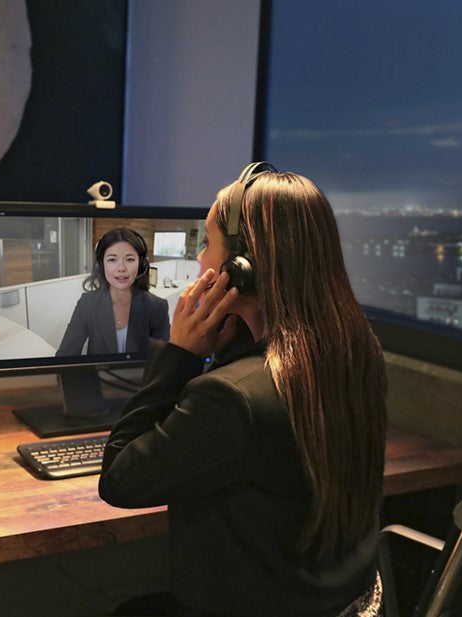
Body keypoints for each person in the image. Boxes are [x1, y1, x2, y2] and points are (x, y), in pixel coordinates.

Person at [99, 164, 387, 617]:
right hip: (338, 601)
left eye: (208, 243)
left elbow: (118, 480)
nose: (199, 262)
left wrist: (180, 355)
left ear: (242, 269)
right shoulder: (351, 356)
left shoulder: (233, 398)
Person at [56, 227, 170, 356]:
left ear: (141, 265)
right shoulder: (87, 304)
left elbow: (162, 362)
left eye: (130, 259)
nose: (121, 268)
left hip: (141, 376)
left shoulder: (156, 307)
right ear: (101, 265)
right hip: (98, 376)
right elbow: (66, 355)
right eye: (112, 260)